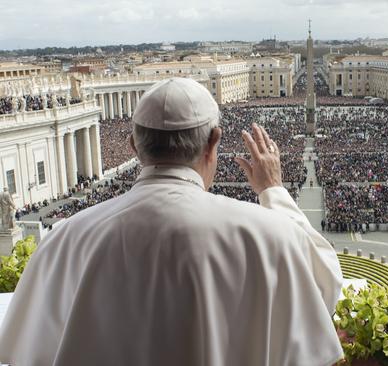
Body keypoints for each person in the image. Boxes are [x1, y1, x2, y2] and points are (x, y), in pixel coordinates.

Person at [0, 78, 344, 366]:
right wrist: (274, 192)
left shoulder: (66, 240)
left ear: (135, 145)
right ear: (214, 143)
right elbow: (325, 288)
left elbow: (26, 350)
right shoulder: (269, 234)